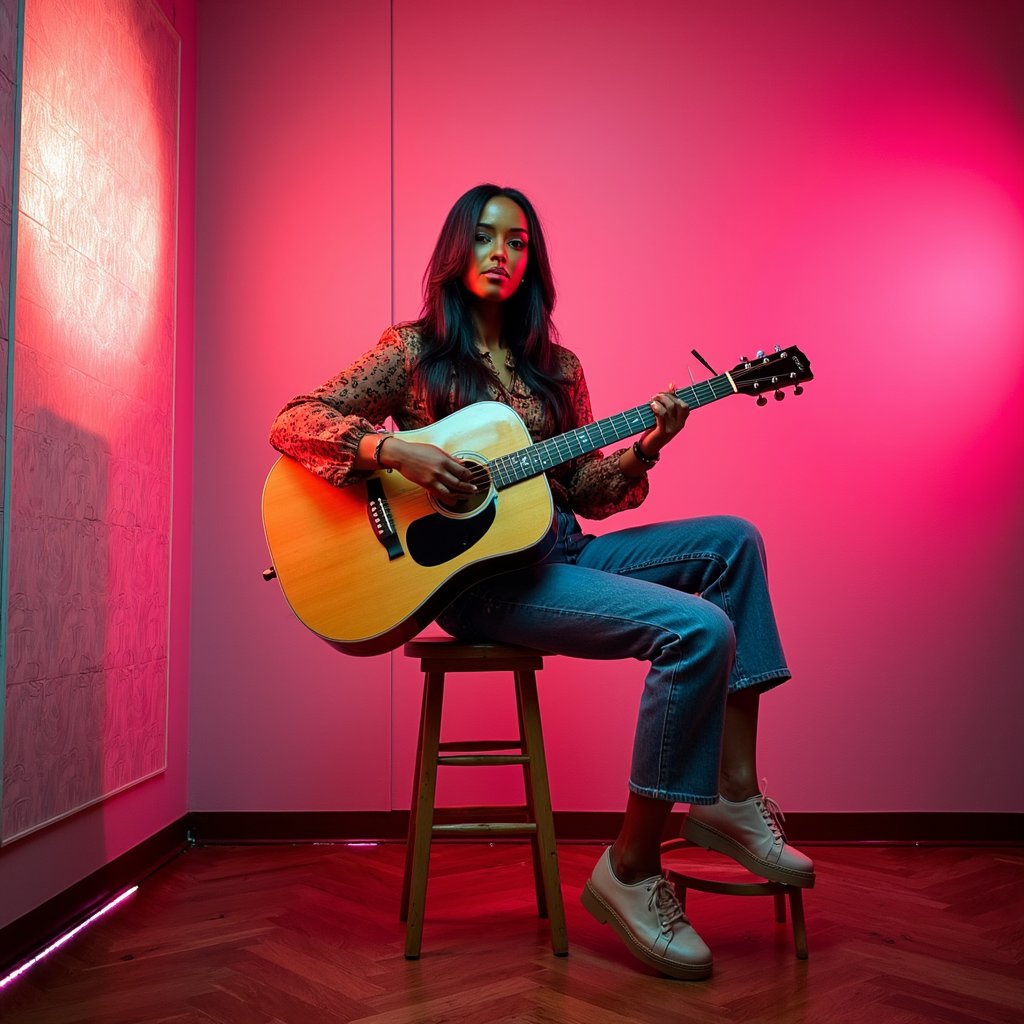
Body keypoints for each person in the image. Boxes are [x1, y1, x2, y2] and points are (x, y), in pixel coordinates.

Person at [270, 183, 814, 981]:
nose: (502, 253)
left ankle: (731, 796)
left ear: (533, 259)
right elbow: (295, 419)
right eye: (487, 238)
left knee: (734, 543)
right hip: (478, 586)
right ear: (458, 250)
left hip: (561, 551)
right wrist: (396, 452)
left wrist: (648, 446)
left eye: (518, 241)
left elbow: (588, 490)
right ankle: (629, 871)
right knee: (698, 631)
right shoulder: (412, 351)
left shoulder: (557, 368)